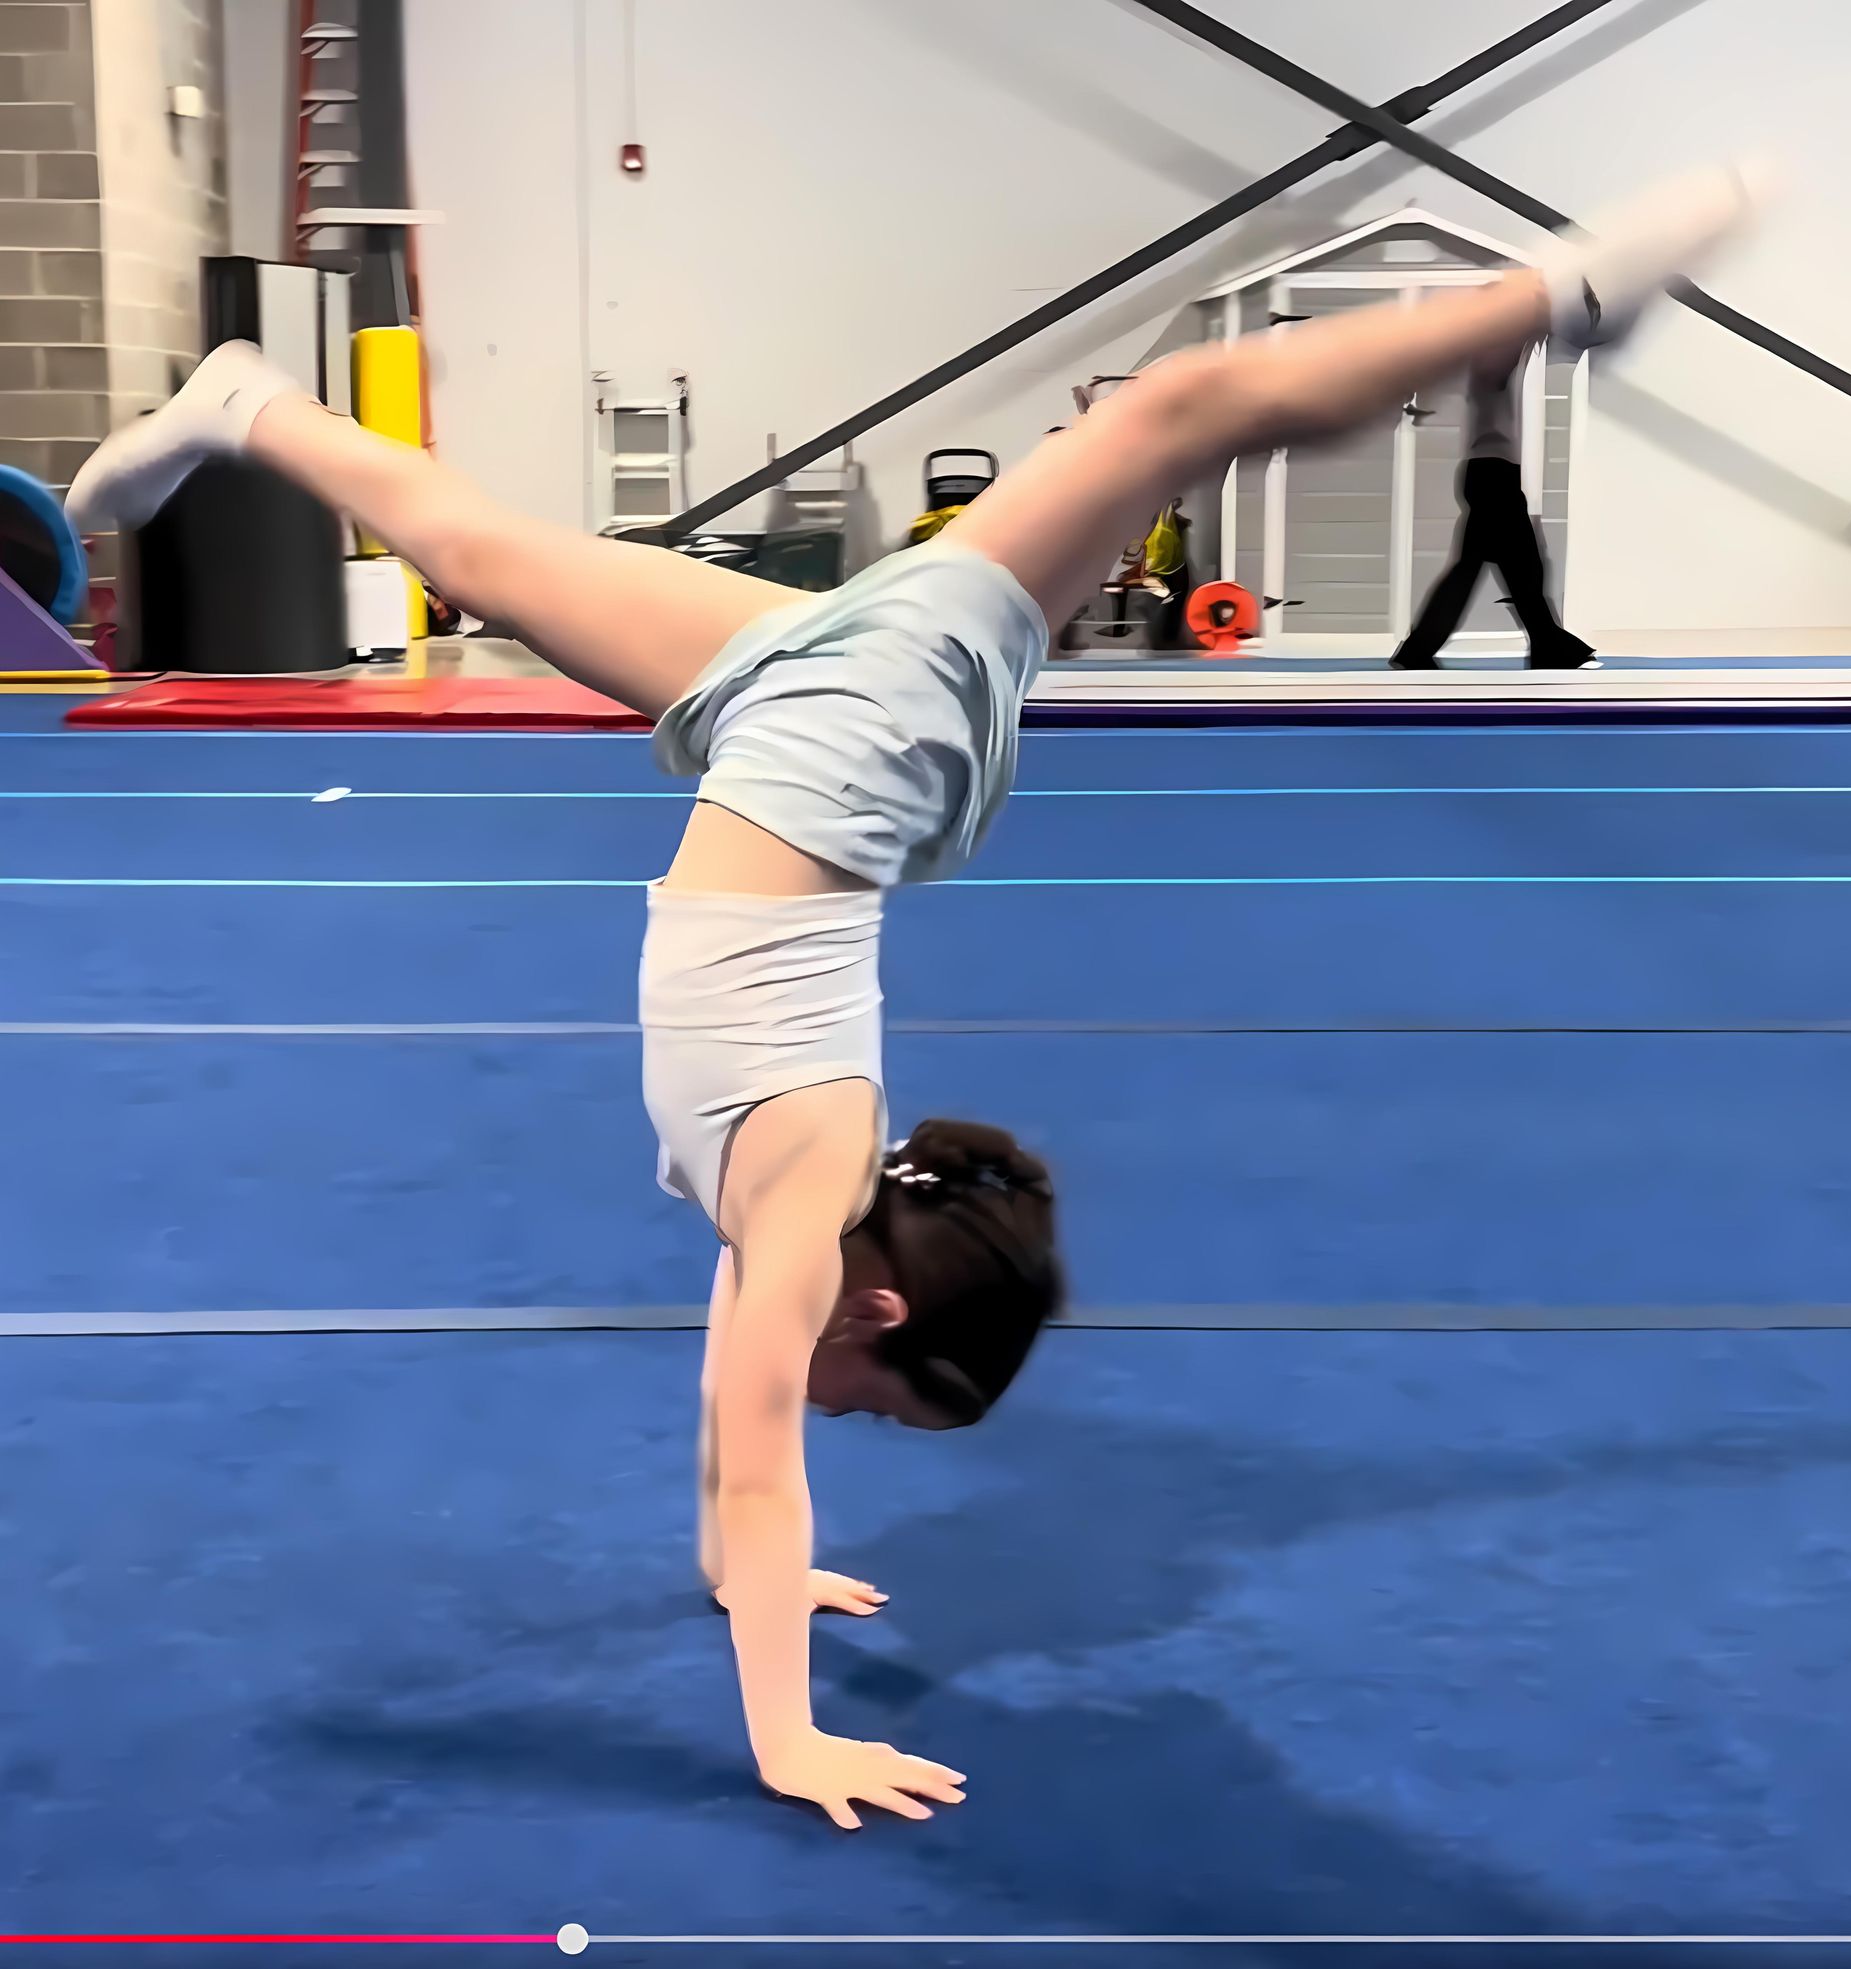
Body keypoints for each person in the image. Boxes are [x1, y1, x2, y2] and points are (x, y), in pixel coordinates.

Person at [66, 161, 1763, 1831]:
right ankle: (1555, 299)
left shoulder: (810, 1200)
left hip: (805, 744)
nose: (843, 1417)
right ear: (878, 1320)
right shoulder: (807, 1196)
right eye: (882, 1403)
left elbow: (739, 1479)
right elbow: (751, 1449)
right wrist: (789, 1736)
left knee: (487, 550)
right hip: (849, 747)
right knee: (1180, 412)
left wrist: (762, 1569)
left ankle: (254, 404)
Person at [1390, 350, 1594, 671]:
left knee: (1488, 570)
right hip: (1493, 476)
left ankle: (1418, 649)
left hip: (1491, 474)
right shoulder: (1493, 360)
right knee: (1523, 569)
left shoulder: (1496, 359)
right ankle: (1549, 646)